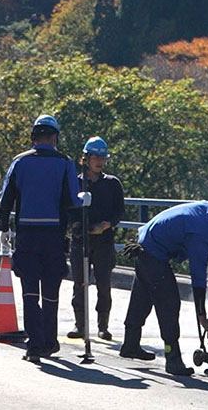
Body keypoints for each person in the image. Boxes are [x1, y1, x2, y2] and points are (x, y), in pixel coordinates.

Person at [119, 201, 208, 376]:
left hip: (145, 242)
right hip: (152, 250)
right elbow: (198, 278)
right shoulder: (205, 234)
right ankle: (173, 359)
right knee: (169, 303)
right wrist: (203, 319)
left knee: (143, 296)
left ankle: (130, 344)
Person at [0, 115, 86, 362]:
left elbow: (6, 198)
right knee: (51, 292)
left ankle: (34, 345)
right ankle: (49, 341)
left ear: (34, 136)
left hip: (26, 234)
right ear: (54, 137)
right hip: (54, 235)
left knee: (30, 292)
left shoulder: (19, 162)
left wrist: (3, 226)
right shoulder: (64, 162)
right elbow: (73, 200)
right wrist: (78, 222)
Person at [67, 136, 124, 342]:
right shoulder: (75, 182)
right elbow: (67, 209)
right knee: (79, 284)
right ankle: (80, 324)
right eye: (95, 157)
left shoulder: (112, 184)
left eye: (103, 158)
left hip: (104, 242)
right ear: (86, 158)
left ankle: (103, 326)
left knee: (104, 284)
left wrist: (106, 225)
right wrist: (77, 227)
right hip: (80, 240)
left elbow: (119, 212)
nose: (100, 162)